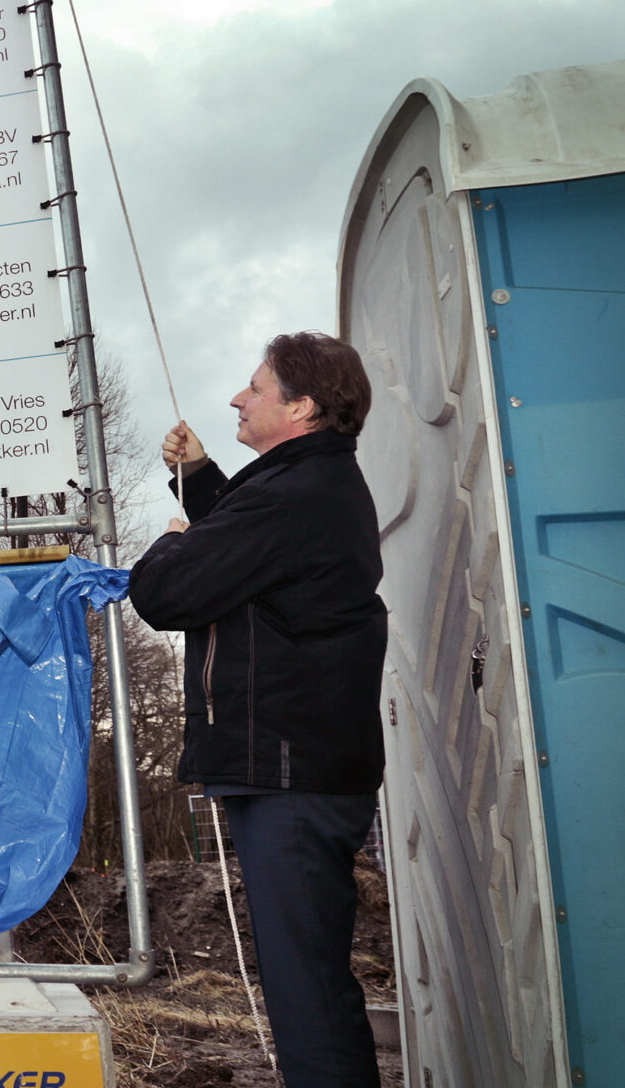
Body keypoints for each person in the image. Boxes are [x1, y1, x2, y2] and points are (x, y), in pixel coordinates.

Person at [127, 333, 388, 1088]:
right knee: (304, 979)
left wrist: (171, 542)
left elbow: (169, 592)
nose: (238, 398)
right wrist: (200, 479)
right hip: (296, 769)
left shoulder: (295, 494)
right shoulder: (310, 487)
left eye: (254, 388)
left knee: (306, 990)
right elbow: (255, 552)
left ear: (301, 406)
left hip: (291, 777)